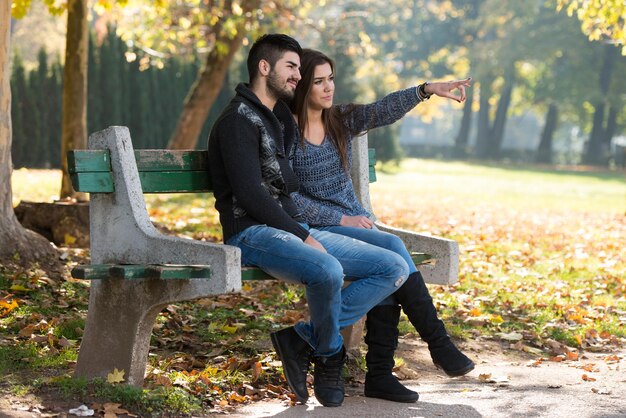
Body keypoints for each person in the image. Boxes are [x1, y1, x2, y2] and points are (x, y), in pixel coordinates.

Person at [208, 35, 410, 407]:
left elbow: (291, 184)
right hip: (250, 233)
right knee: (329, 271)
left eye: (300, 70)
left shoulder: (278, 118)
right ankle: (330, 356)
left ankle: (302, 339)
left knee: (394, 266)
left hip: (290, 227)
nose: (298, 77)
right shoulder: (237, 121)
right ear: (263, 67)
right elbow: (251, 196)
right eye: (291, 67)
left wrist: (309, 226)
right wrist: (302, 233)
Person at [289, 48, 475, 403]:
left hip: (353, 226)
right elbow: (289, 198)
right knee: (390, 249)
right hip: (316, 230)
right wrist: (342, 217)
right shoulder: (286, 131)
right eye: (318, 81)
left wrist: (426, 89)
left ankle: (381, 375)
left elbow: (380, 110)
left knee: (386, 254)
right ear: (302, 87)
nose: (328, 88)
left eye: (331, 79)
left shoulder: (337, 120)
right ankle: (436, 345)